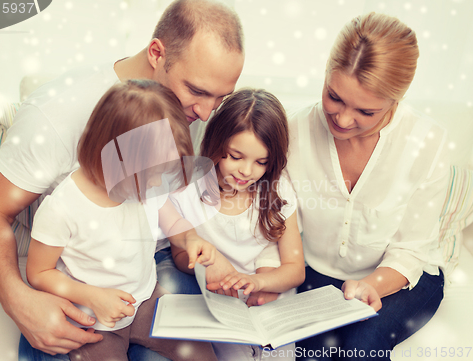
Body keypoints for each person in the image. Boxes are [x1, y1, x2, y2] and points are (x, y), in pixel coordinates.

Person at [0, 0, 244, 359]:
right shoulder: (56, 116)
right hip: (80, 286)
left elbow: (165, 205)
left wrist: (190, 243)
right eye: (197, 91)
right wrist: (18, 299)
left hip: (146, 278)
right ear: (156, 53)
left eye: (220, 98)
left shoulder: (185, 113)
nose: (207, 112)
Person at [286, 12, 449, 360]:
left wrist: (372, 286)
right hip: (319, 274)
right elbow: (277, 222)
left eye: (365, 111)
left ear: (396, 101)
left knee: (363, 346)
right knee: (315, 354)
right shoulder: (294, 131)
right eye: (334, 97)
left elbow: (413, 249)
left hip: (405, 279)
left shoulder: (427, 142)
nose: (343, 119)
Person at [26, 79, 219, 361]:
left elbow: (173, 222)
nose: (159, 183)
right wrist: (92, 297)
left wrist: (191, 239)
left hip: (146, 300)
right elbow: (39, 273)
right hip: (95, 320)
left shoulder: (146, 186)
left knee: (201, 352)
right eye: (153, 173)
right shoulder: (62, 208)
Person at [170, 88, 306, 361]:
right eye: (235, 156)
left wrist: (257, 282)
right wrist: (208, 264)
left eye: (261, 162)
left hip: (271, 295)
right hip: (224, 304)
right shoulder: (190, 189)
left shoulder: (277, 189)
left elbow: (295, 270)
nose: (246, 171)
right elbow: (179, 254)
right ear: (216, 144)